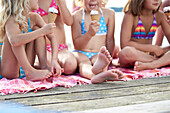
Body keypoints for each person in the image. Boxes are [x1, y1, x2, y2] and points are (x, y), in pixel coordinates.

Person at [0, 0, 62, 81]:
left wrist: (54, 60)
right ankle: (29, 72)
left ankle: (43, 66)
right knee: (16, 38)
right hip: (9, 70)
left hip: (25, 66)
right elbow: (14, 41)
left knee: (36, 29)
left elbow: (53, 37)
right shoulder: (11, 19)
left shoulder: (35, 18)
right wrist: (42, 31)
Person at [71, 0, 124, 83]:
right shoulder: (77, 16)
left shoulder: (109, 14)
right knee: (84, 64)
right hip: (81, 52)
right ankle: (93, 76)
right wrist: (89, 34)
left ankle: (101, 72)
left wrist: (109, 60)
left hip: (98, 54)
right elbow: (77, 45)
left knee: (100, 62)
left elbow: (110, 39)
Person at [119, 0, 170, 71]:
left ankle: (152, 64)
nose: (157, 0)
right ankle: (160, 62)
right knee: (125, 52)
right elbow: (124, 44)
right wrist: (153, 48)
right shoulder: (131, 15)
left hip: (150, 55)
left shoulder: (160, 15)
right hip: (134, 55)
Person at [33, 0, 77, 75]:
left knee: (70, 66)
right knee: (48, 66)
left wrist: (61, 4)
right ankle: (37, 65)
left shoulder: (57, 1)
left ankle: (39, 66)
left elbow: (69, 22)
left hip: (60, 48)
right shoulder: (33, 2)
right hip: (42, 49)